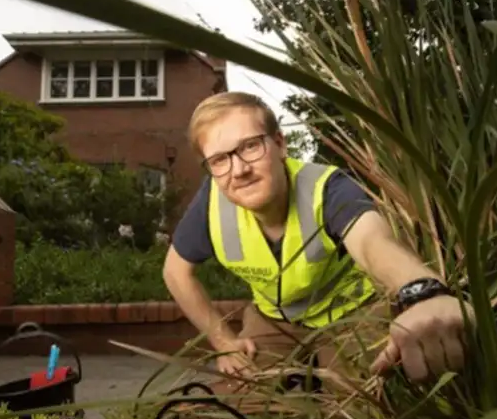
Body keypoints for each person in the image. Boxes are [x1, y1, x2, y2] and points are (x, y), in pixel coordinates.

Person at [163, 92, 472, 391]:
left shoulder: (328, 187)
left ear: (280, 144)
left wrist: (421, 290)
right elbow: (175, 272)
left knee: (363, 401)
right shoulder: (211, 203)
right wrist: (224, 343)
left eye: (251, 146)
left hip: (352, 314)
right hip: (275, 318)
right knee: (245, 398)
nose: (239, 170)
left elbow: (372, 241)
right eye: (219, 160)